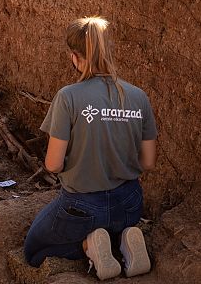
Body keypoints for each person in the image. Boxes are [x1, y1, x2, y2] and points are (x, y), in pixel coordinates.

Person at [23, 16, 157, 280]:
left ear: (74, 56)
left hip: (82, 206)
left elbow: (53, 164)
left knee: (34, 248)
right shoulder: (138, 96)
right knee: (114, 220)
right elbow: (149, 161)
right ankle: (124, 239)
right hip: (129, 204)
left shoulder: (68, 97)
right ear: (110, 50)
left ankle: (88, 245)